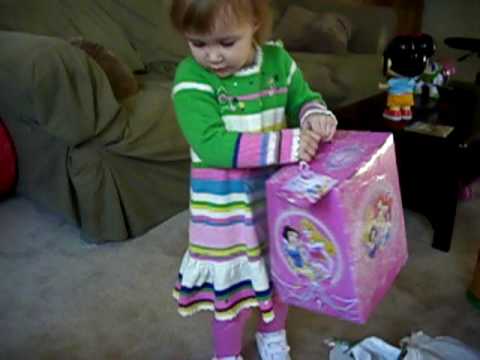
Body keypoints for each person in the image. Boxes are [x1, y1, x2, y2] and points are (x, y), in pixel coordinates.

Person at [169, 1, 337, 359]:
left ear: (255, 24)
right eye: (198, 43)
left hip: (276, 206)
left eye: (227, 43)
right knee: (231, 298)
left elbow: (303, 99)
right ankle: (226, 355)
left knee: (280, 282)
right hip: (224, 215)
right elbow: (212, 145)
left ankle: (272, 337)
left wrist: (314, 116)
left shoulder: (278, 63)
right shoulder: (190, 78)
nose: (213, 56)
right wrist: (290, 144)